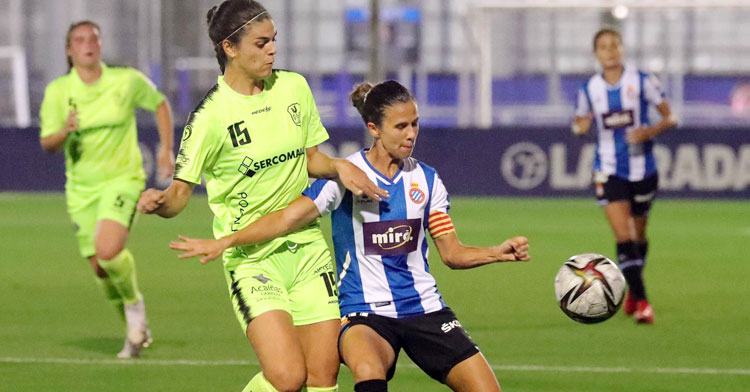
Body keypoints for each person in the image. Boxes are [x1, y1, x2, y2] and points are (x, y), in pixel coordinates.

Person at [170, 80, 531, 392]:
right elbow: (286, 218)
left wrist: (497, 253)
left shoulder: (428, 180)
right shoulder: (344, 175)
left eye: (415, 124)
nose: (411, 134)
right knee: (368, 370)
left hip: (424, 309)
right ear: (374, 128)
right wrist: (226, 240)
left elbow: (451, 253)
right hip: (364, 314)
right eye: (401, 126)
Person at [136, 1, 387, 391]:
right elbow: (180, 195)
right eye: (261, 43)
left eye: (274, 41)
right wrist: (161, 203)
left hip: (306, 249)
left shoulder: (293, 87)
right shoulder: (209, 117)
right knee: (288, 377)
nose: (272, 49)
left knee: (323, 375)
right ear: (230, 48)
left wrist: (338, 166)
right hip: (253, 260)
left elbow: (310, 159)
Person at [39, 20, 174, 358]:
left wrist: (165, 149)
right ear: (69, 51)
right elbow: (47, 142)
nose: (88, 45)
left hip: (123, 179)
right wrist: (65, 131)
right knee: (101, 268)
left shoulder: (124, 81)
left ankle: (135, 312)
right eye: (80, 40)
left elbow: (159, 103)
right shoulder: (59, 91)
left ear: (100, 45)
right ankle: (135, 329)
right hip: (82, 190)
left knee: (108, 249)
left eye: (93, 39)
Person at [572, 28, 677, 324]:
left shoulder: (642, 81)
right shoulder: (589, 89)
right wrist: (580, 126)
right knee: (624, 234)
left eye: (614, 45)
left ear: (622, 49)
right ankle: (643, 302)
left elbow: (671, 117)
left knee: (639, 235)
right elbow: (580, 121)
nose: (610, 51)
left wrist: (649, 130)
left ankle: (633, 289)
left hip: (643, 168)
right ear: (596, 53)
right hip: (607, 169)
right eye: (603, 47)